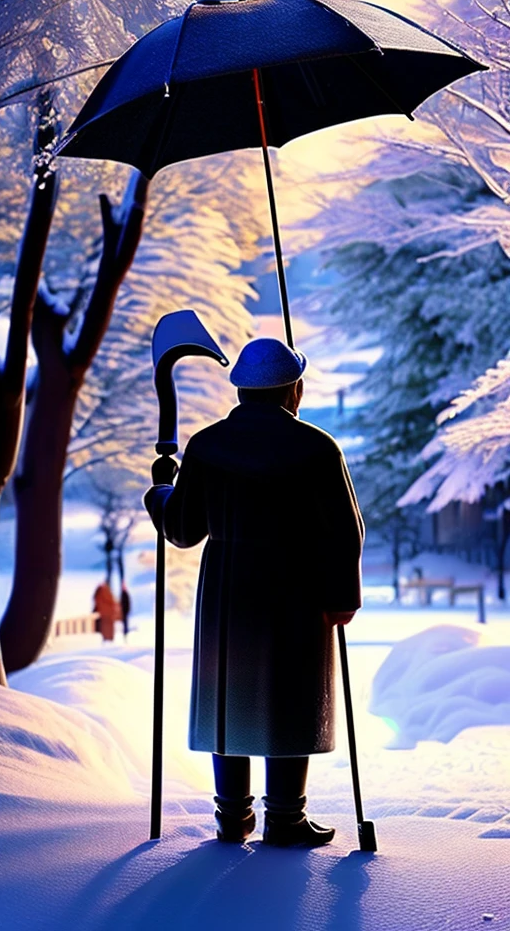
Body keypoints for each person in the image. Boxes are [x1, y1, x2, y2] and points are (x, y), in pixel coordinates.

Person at [145, 338, 364, 847]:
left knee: (230, 691)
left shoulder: (205, 445)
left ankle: (232, 817)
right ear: (294, 390)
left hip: (228, 588)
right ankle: (286, 817)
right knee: (292, 691)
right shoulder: (317, 446)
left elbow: (182, 529)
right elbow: (344, 530)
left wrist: (161, 494)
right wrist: (342, 597)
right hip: (297, 588)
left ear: (242, 392)